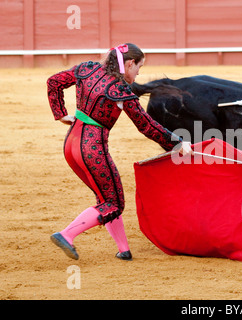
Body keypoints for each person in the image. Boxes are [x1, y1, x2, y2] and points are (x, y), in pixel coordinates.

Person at [47, 43, 192, 261]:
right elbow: (146, 126)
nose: (138, 73)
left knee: (106, 197)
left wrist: (60, 113)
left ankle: (123, 249)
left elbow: (54, 82)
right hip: (91, 148)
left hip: (71, 144)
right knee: (113, 203)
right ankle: (67, 234)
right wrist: (178, 143)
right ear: (130, 63)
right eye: (138, 67)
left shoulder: (87, 68)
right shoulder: (119, 90)